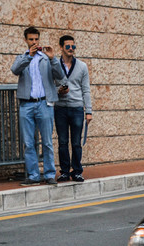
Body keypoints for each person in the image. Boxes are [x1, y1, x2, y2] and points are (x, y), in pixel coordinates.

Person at [11, 26, 66, 186]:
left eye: (36, 39)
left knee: (47, 142)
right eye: (31, 40)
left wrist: (52, 58)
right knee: (29, 143)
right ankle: (34, 175)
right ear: (26, 40)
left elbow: (60, 76)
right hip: (26, 105)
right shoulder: (22, 57)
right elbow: (15, 70)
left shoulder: (46, 58)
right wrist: (29, 56)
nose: (34, 42)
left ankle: (49, 175)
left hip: (44, 103)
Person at [54, 35, 93, 182]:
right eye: (68, 47)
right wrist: (59, 90)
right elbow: (50, 86)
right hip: (60, 109)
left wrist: (88, 111)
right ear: (61, 47)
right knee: (63, 141)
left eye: (73, 47)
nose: (71, 49)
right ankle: (64, 171)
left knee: (76, 142)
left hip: (77, 108)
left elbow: (86, 89)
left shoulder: (82, 66)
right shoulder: (55, 65)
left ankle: (77, 171)